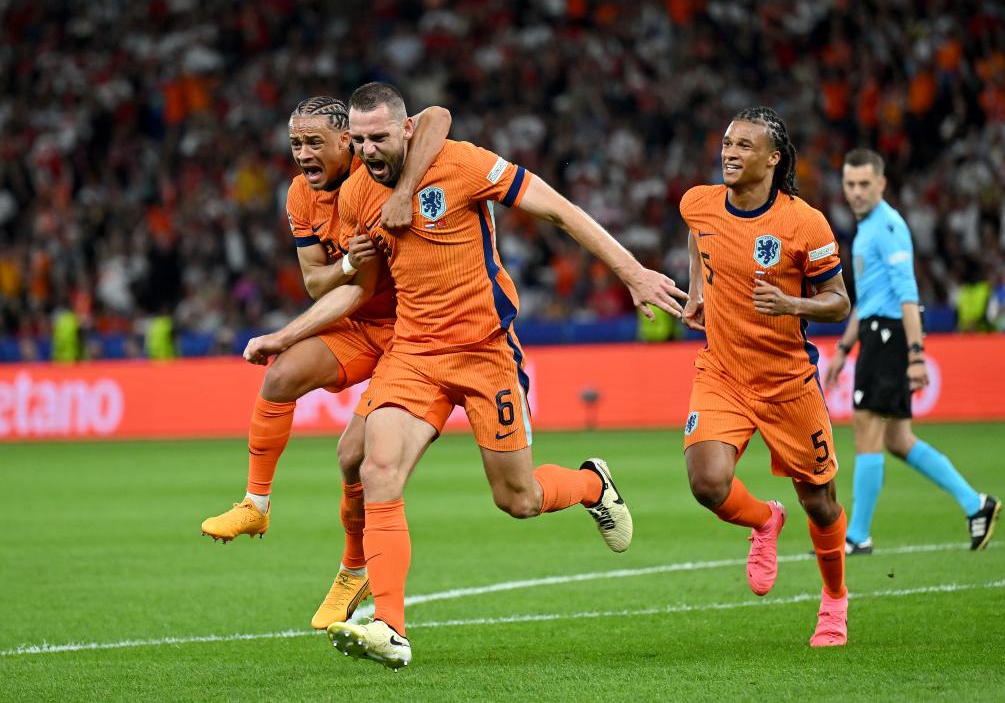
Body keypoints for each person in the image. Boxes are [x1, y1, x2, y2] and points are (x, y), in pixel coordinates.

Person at [244, 82, 687, 669]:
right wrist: (287, 335)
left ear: (405, 130)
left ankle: (591, 485)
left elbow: (558, 208)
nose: (370, 148)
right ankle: (391, 627)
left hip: (486, 352)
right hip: (415, 355)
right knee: (378, 469)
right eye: (362, 139)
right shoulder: (354, 196)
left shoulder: (463, 164)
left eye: (381, 136)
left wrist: (630, 272)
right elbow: (357, 288)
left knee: (519, 499)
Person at [200, 96, 452, 631]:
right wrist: (347, 261)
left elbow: (437, 117)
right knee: (281, 375)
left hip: (410, 330)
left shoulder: (378, 169)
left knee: (351, 458)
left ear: (348, 142)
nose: (303, 154)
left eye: (315, 142)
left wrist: (403, 194)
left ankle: (352, 570)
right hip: (358, 321)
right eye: (296, 143)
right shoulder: (299, 195)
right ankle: (256, 503)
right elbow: (317, 281)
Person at [680, 107, 852, 647]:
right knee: (707, 482)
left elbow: (840, 302)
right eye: (727, 143)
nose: (730, 153)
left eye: (744, 146)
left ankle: (834, 602)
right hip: (724, 371)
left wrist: (791, 302)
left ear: (774, 159)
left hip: (786, 382)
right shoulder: (699, 202)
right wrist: (697, 292)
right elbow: (696, 236)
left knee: (820, 501)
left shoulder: (805, 223)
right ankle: (763, 521)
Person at [824, 148, 1001, 553]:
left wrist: (917, 354)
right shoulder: (868, 228)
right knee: (898, 439)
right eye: (850, 184)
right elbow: (867, 299)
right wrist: (843, 349)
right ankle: (976, 504)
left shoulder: (887, 227)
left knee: (866, 428)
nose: (856, 192)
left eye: (864, 184)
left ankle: (857, 536)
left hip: (889, 336)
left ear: (882, 184)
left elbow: (907, 295)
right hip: (875, 331)